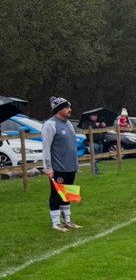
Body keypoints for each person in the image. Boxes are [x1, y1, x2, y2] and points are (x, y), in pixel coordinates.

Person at [41, 97, 81, 232]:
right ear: (59, 109)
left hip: (70, 167)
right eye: (67, 107)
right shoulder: (50, 125)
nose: (70, 110)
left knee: (68, 194)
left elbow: (72, 146)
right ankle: (56, 223)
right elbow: (46, 147)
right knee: (56, 195)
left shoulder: (69, 124)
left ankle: (67, 220)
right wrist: (48, 167)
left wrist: (76, 164)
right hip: (58, 168)